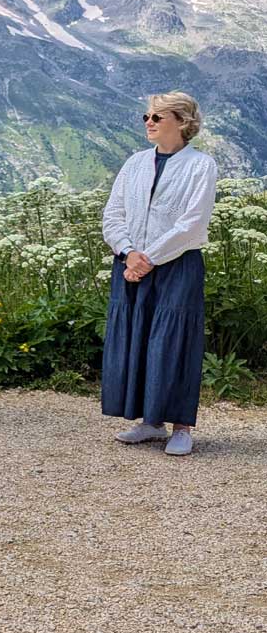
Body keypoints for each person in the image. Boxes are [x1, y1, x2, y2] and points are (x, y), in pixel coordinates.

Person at [101, 92, 217, 456]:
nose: (148, 122)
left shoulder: (201, 165)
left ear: (181, 122)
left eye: (157, 116)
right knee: (138, 337)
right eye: (146, 116)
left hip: (176, 264)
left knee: (174, 342)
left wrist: (148, 258)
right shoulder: (134, 163)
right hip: (131, 263)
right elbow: (112, 215)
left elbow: (192, 223)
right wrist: (128, 252)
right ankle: (151, 422)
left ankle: (181, 426)